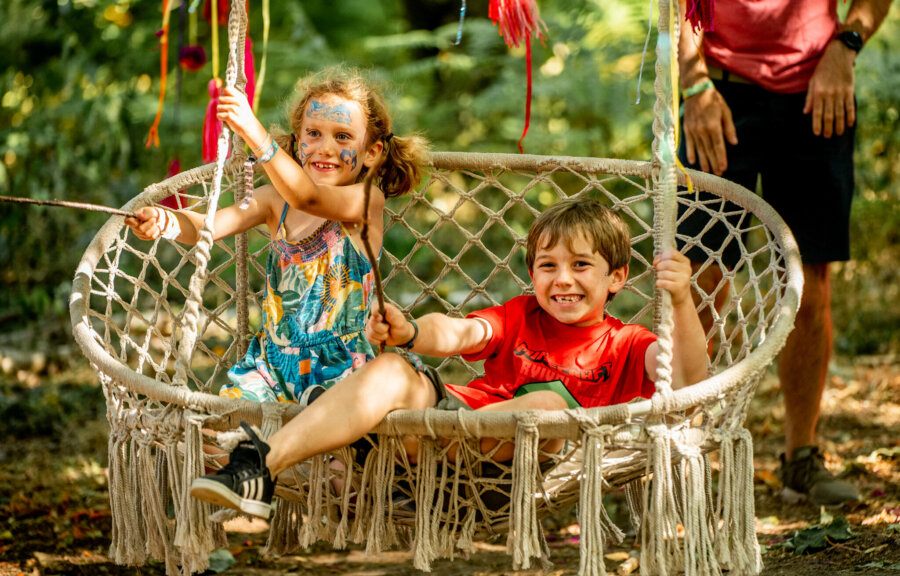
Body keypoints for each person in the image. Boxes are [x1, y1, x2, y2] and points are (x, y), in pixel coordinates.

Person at [188, 198, 709, 520]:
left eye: (581, 265)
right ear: (532, 275)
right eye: (548, 265)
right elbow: (460, 333)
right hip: (449, 427)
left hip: (506, 470)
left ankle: (378, 463)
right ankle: (260, 467)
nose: (563, 279)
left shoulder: (628, 344)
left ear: (616, 278)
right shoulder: (520, 314)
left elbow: (689, 379)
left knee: (549, 402)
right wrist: (412, 332)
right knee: (392, 370)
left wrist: (682, 300)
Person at [677, 0, 891, 505]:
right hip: (718, 90)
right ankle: (680, 451)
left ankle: (801, 458)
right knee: (700, 281)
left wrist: (848, 45)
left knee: (807, 285)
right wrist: (693, 83)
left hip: (818, 87)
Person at [125, 69, 428, 406]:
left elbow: (308, 197)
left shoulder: (366, 199)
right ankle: (241, 452)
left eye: (342, 137)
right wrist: (165, 221)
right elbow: (205, 227)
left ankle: (315, 457)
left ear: (371, 152)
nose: (325, 148)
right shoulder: (273, 200)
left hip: (343, 369)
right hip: (272, 367)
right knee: (218, 431)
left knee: (336, 448)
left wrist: (255, 133)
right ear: (298, 144)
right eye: (313, 133)